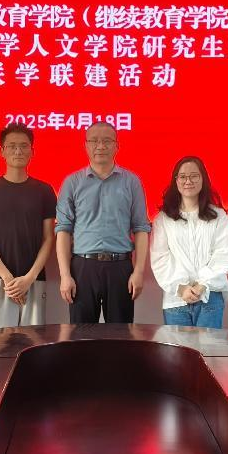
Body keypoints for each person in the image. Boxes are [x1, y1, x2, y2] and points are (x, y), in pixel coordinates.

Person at [56, 122, 151, 323]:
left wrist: (139, 271)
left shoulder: (131, 181)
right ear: (86, 145)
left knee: (120, 335)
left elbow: (141, 229)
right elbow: (63, 231)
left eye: (107, 141)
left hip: (120, 267)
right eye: (94, 141)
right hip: (83, 268)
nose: (100, 146)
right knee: (81, 335)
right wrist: (65, 275)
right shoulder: (72, 182)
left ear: (117, 146)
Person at [0, 124, 56, 329]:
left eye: (24, 146)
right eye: (12, 146)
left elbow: (48, 238)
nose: (18, 151)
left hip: (33, 280)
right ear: (2, 151)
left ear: (32, 151)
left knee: (33, 342)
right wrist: (7, 278)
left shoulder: (45, 191)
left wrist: (29, 278)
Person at [151, 156, 228, 328]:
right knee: (177, 347)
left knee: (208, 347)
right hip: (176, 300)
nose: (188, 181)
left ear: (203, 179)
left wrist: (203, 284)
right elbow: (160, 258)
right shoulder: (163, 219)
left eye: (194, 176)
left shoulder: (218, 216)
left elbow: (223, 253)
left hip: (210, 296)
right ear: (176, 181)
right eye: (182, 176)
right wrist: (181, 288)